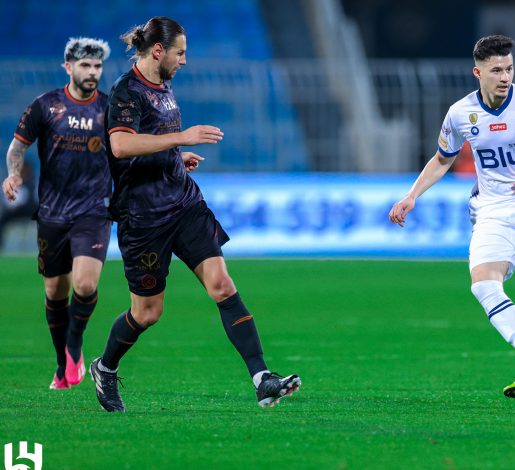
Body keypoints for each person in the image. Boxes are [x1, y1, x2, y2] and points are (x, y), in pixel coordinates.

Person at [89, 16, 300, 412]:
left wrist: (175, 156)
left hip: (184, 204)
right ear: (158, 51)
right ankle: (106, 367)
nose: (184, 61)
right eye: (180, 52)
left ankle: (261, 379)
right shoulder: (125, 92)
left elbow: (151, 141)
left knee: (221, 283)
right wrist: (182, 138)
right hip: (143, 218)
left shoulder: (164, 87)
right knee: (147, 313)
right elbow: (119, 146)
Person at [389, 35, 515, 399]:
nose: (504, 76)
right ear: (477, 72)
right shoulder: (460, 113)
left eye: (509, 68)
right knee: (483, 283)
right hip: (492, 209)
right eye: (496, 70)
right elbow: (442, 159)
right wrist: (412, 195)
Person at [2, 38, 112, 390]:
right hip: (52, 213)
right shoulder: (46, 106)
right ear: (69, 67)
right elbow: (18, 147)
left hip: (93, 210)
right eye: (85, 66)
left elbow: (130, 150)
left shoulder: (109, 110)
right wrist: (14, 173)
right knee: (55, 292)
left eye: (97, 66)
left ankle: (74, 347)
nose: (92, 72)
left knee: (85, 283)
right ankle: (63, 364)